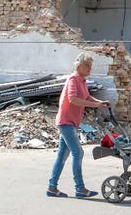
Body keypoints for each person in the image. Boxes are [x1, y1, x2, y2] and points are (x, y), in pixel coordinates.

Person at [47, 52, 110, 198]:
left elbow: (86, 96)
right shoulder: (73, 80)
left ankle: (52, 187)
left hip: (71, 122)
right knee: (78, 152)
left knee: (62, 155)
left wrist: (99, 103)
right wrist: (95, 105)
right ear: (79, 65)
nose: (89, 68)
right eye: (87, 65)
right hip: (66, 121)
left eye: (91, 66)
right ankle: (80, 188)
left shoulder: (82, 81)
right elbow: (73, 99)